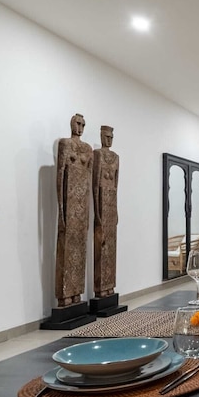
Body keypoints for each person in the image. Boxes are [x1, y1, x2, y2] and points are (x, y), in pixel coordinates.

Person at [54, 113, 93, 307]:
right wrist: (61, 209)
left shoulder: (88, 149)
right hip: (68, 205)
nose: (80, 128)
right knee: (66, 248)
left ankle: (77, 292)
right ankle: (65, 294)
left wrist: (89, 213)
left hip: (82, 205)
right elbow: (60, 177)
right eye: (78, 123)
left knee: (80, 247)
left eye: (83, 124)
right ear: (71, 124)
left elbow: (90, 181)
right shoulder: (65, 144)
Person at [92, 125, 119, 298]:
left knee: (110, 245)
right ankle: (100, 288)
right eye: (106, 136)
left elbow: (116, 185)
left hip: (111, 203)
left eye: (111, 137)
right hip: (101, 202)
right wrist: (96, 211)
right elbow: (95, 185)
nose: (108, 140)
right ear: (101, 136)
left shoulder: (115, 157)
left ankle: (109, 286)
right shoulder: (98, 155)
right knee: (101, 243)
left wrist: (116, 210)